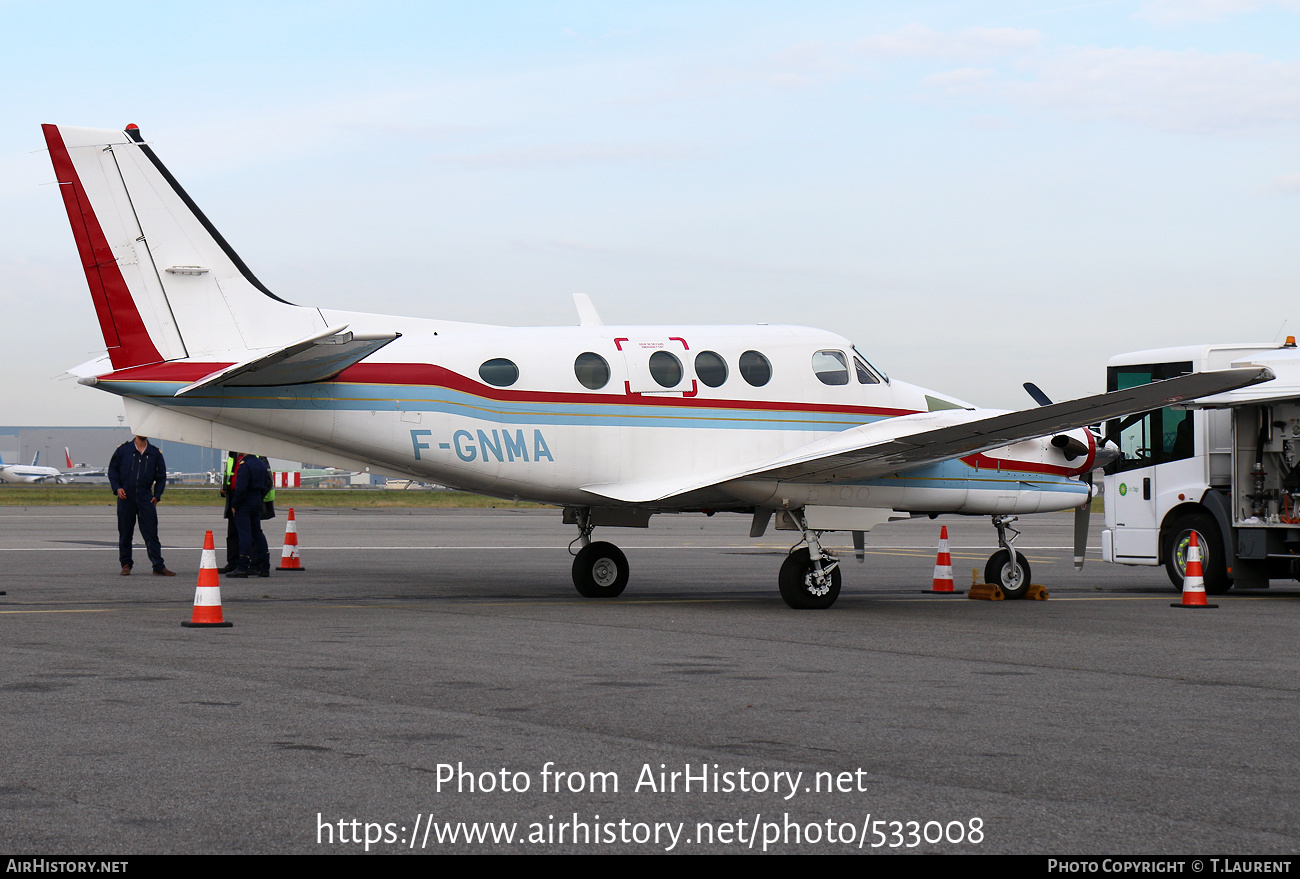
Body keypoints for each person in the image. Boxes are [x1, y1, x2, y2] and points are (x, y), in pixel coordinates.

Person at [107, 435, 174, 576]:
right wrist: (117, 488)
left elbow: (161, 476)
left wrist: (157, 495)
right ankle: (126, 564)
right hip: (126, 497)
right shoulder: (123, 450)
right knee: (125, 533)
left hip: (145, 498)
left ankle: (158, 565)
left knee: (151, 533)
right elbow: (112, 471)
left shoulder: (154, 453)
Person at [227, 452, 271, 578]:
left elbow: (241, 488)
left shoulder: (245, 466)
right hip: (256, 500)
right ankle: (264, 566)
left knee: (244, 534)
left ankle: (242, 566)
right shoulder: (259, 464)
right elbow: (266, 484)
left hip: (244, 503)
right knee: (257, 533)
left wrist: (235, 504)